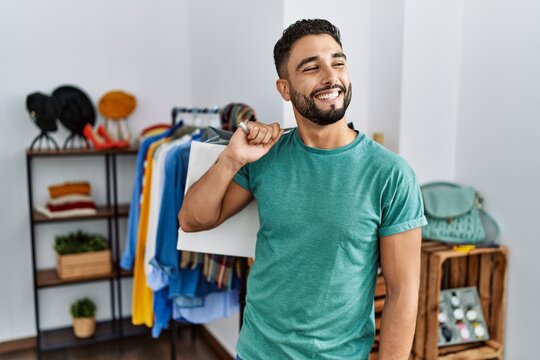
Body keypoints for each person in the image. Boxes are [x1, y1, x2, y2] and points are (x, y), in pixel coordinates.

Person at [179, 19, 427, 360]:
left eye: (338, 63)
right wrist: (231, 159)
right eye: (312, 68)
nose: (330, 76)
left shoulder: (391, 174)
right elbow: (192, 220)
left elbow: (403, 292)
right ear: (284, 88)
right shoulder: (264, 156)